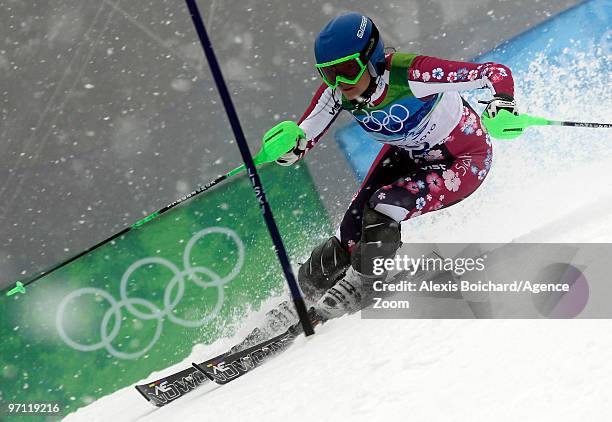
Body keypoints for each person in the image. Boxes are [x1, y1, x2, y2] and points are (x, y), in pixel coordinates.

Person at [247, 12, 518, 340]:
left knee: (384, 206)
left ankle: (365, 283)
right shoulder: (336, 93)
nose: (339, 83)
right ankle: (305, 295)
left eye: (347, 70)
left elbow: (493, 73)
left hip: (462, 160)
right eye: (328, 73)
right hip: (410, 155)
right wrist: (288, 148)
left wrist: (503, 102)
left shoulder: (412, 74)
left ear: (372, 59)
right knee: (348, 234)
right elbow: (303, 137)